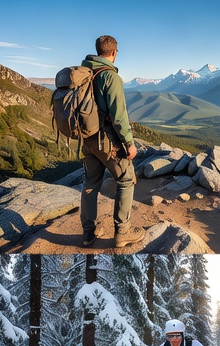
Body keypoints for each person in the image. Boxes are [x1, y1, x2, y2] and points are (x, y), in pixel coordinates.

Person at [79, 35, 142, 250]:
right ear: (114, 53)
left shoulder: (85, 73)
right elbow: (118, 116)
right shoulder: (110, 77)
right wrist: (129, 144)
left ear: (98, 51)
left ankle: (88, 233)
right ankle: (122, 232)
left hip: (87, 139)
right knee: (125, 180)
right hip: (107, 141)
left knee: (90, 185)